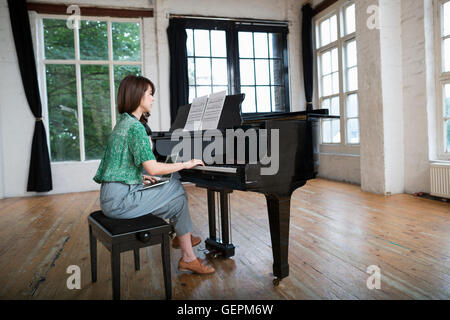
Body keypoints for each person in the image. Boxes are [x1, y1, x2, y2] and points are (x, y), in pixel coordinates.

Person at [93, 75, 214, 274]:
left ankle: (187, 254)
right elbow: (153, 168)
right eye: (150, 94)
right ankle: (183, 235)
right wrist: (186, 164)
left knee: (178, 202)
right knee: (175, 183)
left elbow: (116, 165)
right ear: (137, 96)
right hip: (120, 202)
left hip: (112, 197)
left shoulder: (122, 123)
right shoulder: (135, 128)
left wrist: (138, 177)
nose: (152, 98)